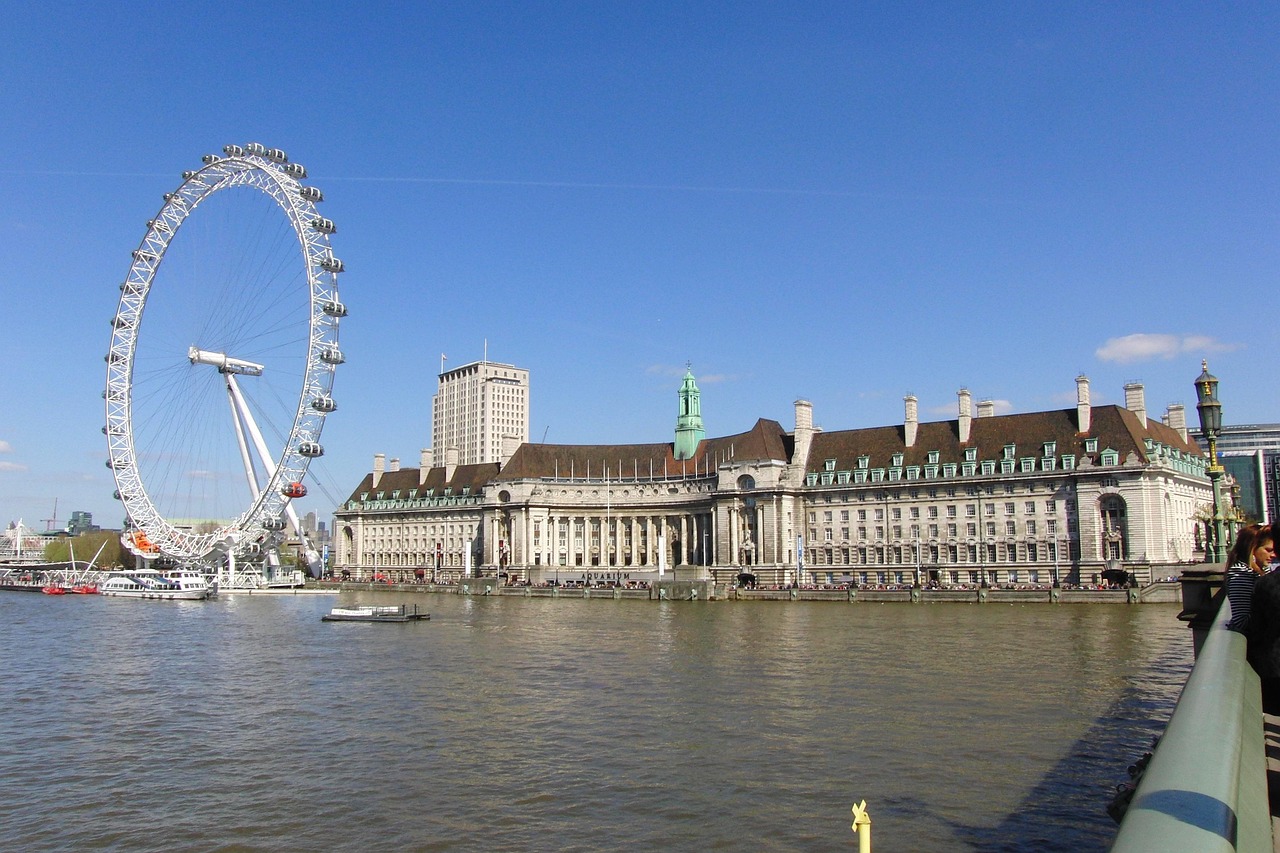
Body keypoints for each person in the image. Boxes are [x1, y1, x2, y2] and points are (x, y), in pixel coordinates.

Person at [1225, 524, 1270, 632]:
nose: (1273, 554)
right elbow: (1241, 621)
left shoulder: (1261, 569)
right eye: (1268, 550)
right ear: (1252, 549)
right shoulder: (1241, 573)